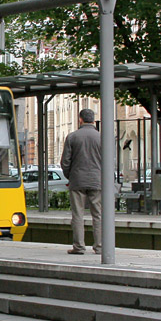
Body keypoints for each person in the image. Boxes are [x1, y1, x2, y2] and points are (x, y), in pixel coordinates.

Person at [60, 108, 102, 255]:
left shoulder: (72, 137)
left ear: (80, 119)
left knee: (77, 214)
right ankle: (100, 246)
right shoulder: (101, 137)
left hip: (77, 180)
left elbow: (65, 162)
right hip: (97, 180)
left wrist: (70, 176)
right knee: (98, 215)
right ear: (93, 119)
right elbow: (110, 161)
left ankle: (79, 247)